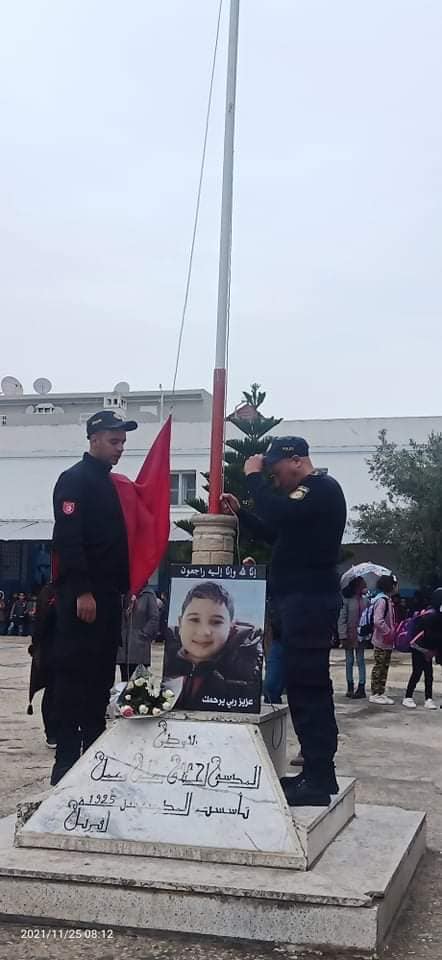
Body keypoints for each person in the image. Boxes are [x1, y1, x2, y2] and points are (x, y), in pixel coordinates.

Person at [222, 436, 347, 807]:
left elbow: (280, 514)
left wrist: (253, 478)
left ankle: (318, 778)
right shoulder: (303, 501)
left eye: (275, 471)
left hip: (309, 603)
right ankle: (317, 774)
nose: (274, 479)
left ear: (296, 461)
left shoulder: (320, 489)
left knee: (310, 689)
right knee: (303, 688)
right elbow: (277, 533)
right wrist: (242, 515)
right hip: (299, 603)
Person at [50, 408, 137, 786]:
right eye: (114, 441)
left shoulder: (111, 484)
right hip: (82, 595)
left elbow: (116, 544)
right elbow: (69, 539)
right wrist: (83, 590)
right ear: (94, 439)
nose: (120, 448)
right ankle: (66, 762)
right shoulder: (75, 480)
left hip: (109, 595)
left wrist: (126, 588)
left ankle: (94, 755)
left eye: (123, 442)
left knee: (101, 677)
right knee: (74, 676)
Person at [163, 581, 263, 711]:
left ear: (231, 628)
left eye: (216, 622)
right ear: (180, 623)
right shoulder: (168, 664)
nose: (204, 632)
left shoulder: (245, 672)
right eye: (194, 619)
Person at [27, 583, 58, 748]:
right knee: (52, 691)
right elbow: (40, 623)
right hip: (51, 652)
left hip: (72, 648)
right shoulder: (49, 592)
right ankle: (51, 732)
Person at [117, 583, 160, 681]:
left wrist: (144, 634)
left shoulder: (148, 595)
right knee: (125, 681)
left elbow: (154, 618)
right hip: (124, 647)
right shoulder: (123, 594)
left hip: (140, 646)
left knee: (139, 682)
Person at [338, 577, 368, 699]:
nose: (365, 587)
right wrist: (342, 635)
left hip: (361, 634)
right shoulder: (347, 600)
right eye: (363, 585)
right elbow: (342, 619)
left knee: (360, 660)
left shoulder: (366, 601)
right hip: (349, 634)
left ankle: (361, 687)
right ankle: (350, 686)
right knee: (349, 660)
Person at [369, 575, 396, 705]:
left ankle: (380, 692)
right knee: (379, 666)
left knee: (384, 667)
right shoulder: (382, 601)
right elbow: (378, 620)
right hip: (381, 640)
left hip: (387, 641)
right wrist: (388, 631)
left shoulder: (387, 600)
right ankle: (375, 693)